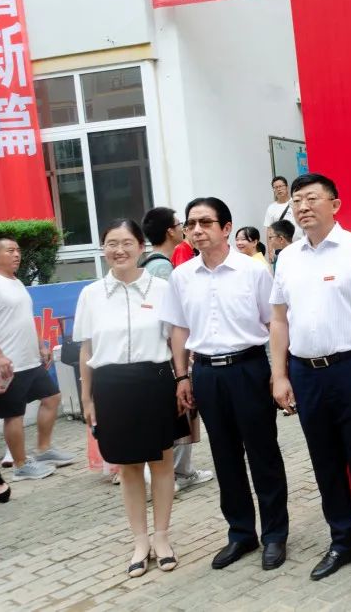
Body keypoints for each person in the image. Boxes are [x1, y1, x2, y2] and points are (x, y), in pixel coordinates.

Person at [269, 173, 351, 585]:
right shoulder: (287, 258)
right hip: (305, 373)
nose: (302, 207)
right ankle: (342, 540)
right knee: (324, 462)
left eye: (311, 198)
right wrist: (279, 375)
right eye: (297, 201)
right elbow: (279, 320)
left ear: (335, 204)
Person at [159, 197, 289, 572]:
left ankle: (275, 534)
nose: (197, 230)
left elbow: (273, 323)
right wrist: (182, 376)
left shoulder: (253, 272)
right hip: (206, 374)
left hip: (249, 369)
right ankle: (241, 533)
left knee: (263, 453)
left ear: (226, 228)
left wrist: (279, 373)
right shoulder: (182, 276)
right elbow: (179, 329)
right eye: (190, 224)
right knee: (224, 456)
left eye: (205, 222)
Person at [74, 219, 181, 577]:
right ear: (103, 248)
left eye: (126, 243)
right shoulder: (91, 295)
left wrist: (183, 381)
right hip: (111, 387)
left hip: (155, 382)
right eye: (111, 243)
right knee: (129, 467)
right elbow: (87, 349)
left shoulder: (162, 289)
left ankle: (162, 537)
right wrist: (87, 398)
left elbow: (175, 341)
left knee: (162, 463)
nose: (119, 250)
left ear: (141, 246)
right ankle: (140, 541)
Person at [141, 207, 214, 494]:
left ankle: (178, 471)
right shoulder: (162, 268)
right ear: (171, 231)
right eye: (182, 223)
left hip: (168, 354)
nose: (187, 228)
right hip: (171, 355)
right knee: (182, 410)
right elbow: (171, 319)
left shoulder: (152, 264)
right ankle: (176, 473)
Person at [0, 236, 75, 481]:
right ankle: (20, 465)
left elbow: (26, 317)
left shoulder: (16, 282)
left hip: (30, 358)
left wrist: (41, 344)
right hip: (10, 363)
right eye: (10, 251)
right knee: (14, 414)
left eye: (18, 250)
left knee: (52, 397)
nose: (16, 255)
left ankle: (43, 449)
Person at [264, 176, 302, 255]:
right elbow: (269, 231)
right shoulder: (271, 208)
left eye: (281, 186)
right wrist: (270, 250)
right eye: (275, 187)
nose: (278, 189)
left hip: (300, 244)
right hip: (281, 248)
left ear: (287, 187)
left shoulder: (296, 202)